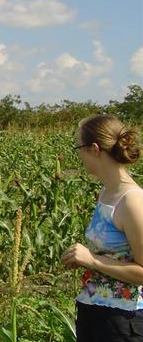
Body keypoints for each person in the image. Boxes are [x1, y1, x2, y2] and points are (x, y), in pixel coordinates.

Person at [61, 114, 143, 341]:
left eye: (79, 147)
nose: (78, 155)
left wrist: (92, 260)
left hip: (124, 320)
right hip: (95, 313)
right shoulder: (107, 194)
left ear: (94, 149)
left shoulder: (132, 201)